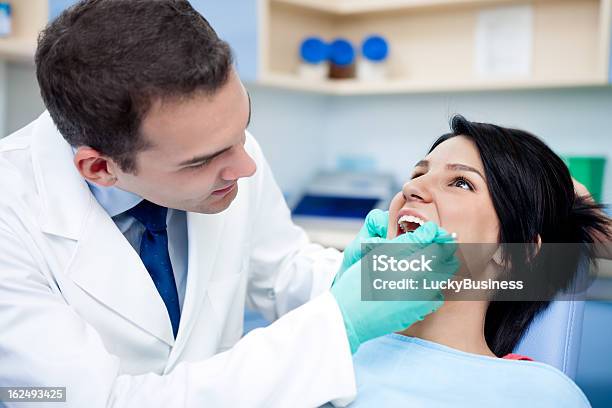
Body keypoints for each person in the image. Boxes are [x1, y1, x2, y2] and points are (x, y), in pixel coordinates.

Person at [0, 1, 458, 407]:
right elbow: (98, 402)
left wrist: (362, 279)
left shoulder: (224, 148)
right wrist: (341, 320)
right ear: (100, 168)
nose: (246, 166)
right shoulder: (11, 215)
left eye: (243, 130)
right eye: (204, 161)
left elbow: (280, 271)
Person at [341, 116, 611, 407]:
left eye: (461, 182)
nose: (411, 188)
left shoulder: (540, 396)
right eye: (418, 173)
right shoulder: (329, 346)